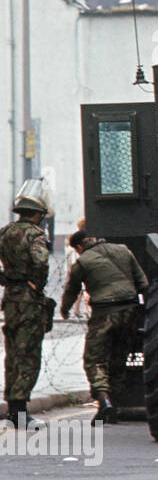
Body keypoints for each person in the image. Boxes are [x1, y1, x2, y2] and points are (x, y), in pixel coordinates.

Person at [60, 230, 149, 423]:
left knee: (94, 360)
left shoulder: (83, 262)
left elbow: (71, 290)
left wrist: (65, 310)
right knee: (118, 359)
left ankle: (104, 400)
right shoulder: (123, 250)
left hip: (104, 312)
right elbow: (143, 283)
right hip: (129, 311)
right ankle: (115, 407)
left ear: (79, 247)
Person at [0, 181, 52, 429]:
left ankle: (12, 410)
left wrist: (7, 279)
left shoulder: (5, 232)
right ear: (37, 215)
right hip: (29, 301)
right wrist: (36, 283)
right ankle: (21, 411)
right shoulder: (34, 234)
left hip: (10, 298)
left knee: (12, 353)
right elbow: (40, 261)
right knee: (29, 354)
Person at [64, 218, 89, 318]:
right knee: (85, 290)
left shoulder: (73, 238)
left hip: (75, 266)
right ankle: (86, 310)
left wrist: (68, 269)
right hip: (82, 266)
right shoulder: (84, 240)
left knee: (78, 289)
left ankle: (77, 309)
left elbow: (68, 256)